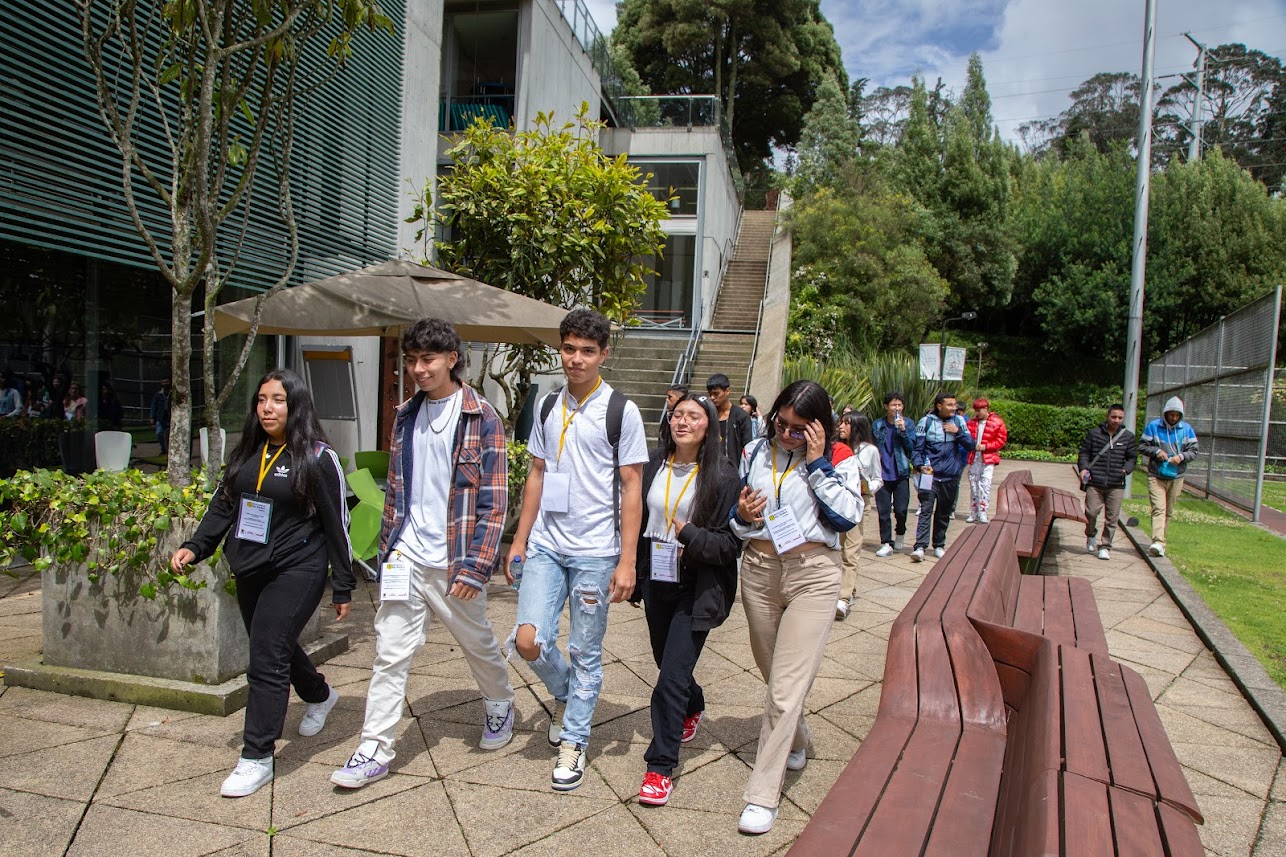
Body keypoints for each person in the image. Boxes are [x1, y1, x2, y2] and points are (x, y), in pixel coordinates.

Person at [331, 319, 515, 790]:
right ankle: (374, 746)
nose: (417, 368)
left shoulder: (482, 417)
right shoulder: (406, 414)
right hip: (407, 555)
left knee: (477, 642)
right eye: (411, 360)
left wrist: (475, 567)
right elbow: (396, 488)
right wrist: (390, 548)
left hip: (454, 559)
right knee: (390, 652)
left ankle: (499, 703)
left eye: (427, 359)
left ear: (452, 358)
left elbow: (495, 503)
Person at [170, 369, 353, 798]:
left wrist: (342, 584)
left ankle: (256, 756)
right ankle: (320, 694)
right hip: (251, 567)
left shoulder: (318, 457)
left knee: (265, 658)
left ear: (296, 406)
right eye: (261, 399)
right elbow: (223, 505)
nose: (267, 408)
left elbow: (337, 523)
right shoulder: (247, 453)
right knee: (276, 646)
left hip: (299, 568)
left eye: (278, 400)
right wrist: (196, 546)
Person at [505, 307, 649, 792]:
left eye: (588, 351)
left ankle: (575, 738)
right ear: (560, 349)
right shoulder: (547, 405)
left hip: (595, 551)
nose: (577, 359)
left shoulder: (620, 411)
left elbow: (633, 487)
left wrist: (627, 560)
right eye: (569, 349)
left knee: (586, 650)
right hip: (546, 544)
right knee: (529, 641)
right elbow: (538, 475)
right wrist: (520, 539)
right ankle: (569, 694)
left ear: (603, 354)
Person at [731, 380, 862, 834]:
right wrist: (743, 516)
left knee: (785, 688)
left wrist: (818, 462)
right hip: (760, 570)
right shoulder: (753, 451)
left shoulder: (839, 458)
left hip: (813, 574)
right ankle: (798, 735)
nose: (786, 434)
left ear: (818, 427)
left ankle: (762, 796)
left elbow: (849, 516)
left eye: (798, 428)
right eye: (780, 424)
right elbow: (736, 515)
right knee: (773, 672)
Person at [633, 393, 741, 807]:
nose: (683, 422)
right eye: (678, 414)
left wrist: (690, 536)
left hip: (695, 588)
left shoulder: (724, 475)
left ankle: (660, 767)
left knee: (669, 680)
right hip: (657, 581)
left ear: (709, 426)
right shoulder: (652, 465)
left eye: (694, 416)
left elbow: (730, 545)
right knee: (668, 663)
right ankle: (693, 704)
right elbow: (635, 519)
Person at [910, 393, 975, 562]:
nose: (954, 408)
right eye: (950, 405)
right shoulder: (926, 422)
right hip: (930, 475)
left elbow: (971, 445)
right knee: (925, 510)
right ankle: (920, 547)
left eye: (955, 405)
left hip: (950, 475)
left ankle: (939, 545)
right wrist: (918, 466)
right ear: (939, 406)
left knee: (943, 512)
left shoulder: (959, 422)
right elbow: (917, 449)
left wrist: (958, 432)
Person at [835, 413, 882, 619]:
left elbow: (878, 478)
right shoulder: (834, 447)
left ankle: (843, 598)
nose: (842, 426)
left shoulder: (869, 451)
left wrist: (866, 487)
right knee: (836, 548)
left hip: (860, 503)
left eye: (847, 423)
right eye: (841, 422)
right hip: (837, 502)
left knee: (851, 551)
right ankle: (847, 588)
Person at [1138, 396, 1198, 558]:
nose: (1173, 418)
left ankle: (1161, 542)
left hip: (1177, 475)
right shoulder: (1153, 427)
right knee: (1159, 508)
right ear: (1165, 413)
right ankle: (1157, 541)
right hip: (1156, 474)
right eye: (1170, 414)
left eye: (1176, 415)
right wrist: (1157, 452)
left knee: (1169, 511)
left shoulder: (1186, 429)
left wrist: (1182, 456)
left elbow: (1194, 451)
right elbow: (1142, 446)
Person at [1078, 404, 1137, 561]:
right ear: (1107, 416)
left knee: (1112, 518)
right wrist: (1083, 469)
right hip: (1095, 481)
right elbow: (1084, 452)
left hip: (1116, 483)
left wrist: (1126, 469)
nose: (1116, 420)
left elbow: (1132, 457)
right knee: (1090, 512)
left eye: (1120, 418)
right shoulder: (1094, 434)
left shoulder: (1128, 437)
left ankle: (1105, 546)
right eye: (1113, 417)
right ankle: (1091, 535)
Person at [871, 392, 916, 557]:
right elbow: (872, 447)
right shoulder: (877, 425)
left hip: (901, 473)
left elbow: (911, 449)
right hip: (882, 474)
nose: (897, 408)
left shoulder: (909, 424)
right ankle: (886, 542)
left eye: (899, 405)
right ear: (886, 407)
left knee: (901, 510)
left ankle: (901, 532)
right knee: (883, 511)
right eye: (893, 405)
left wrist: (903, 431)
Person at [964, 398, 1008, 524]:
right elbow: (966, 438)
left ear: (985, 408)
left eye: (979, 410)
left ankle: (983, 512)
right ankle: (973, 512)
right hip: (974, 457)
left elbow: (1001, 440)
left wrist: (987, 446)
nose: (977, 413)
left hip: (988, 458)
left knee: (985, 485)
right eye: (976, 410)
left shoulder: (997, 422)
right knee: (973, 485)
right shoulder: (971, 423)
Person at [706, 373, 753, 467]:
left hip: (734, 470)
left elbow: (748, 447)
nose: (712, 398)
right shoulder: (708, 415)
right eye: (710, 394)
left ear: (727, 391)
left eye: (716, 394)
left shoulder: (741, 416)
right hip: (711, 469)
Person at [151, 378, 172, 453]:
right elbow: (154, 406)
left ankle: (170, 449)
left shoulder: (173, 393)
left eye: (167, 382)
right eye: (163, 383)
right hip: (160, 417)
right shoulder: (158, 394)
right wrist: (152, 417)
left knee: (170, 434)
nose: (165, 384)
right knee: (159, 433)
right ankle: (164, 448)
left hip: (170, 417)